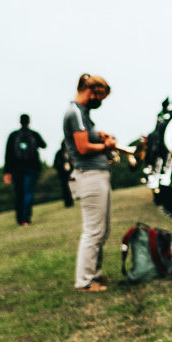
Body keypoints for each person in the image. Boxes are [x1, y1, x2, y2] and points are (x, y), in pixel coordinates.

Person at [63, 74, 116, 292]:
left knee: (102, 230)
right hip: (89, 175)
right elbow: (83, 147)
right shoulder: (75, 112)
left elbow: (87, 138)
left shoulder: (83, 113)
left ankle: (94, 274)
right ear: (90, 91)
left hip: (97, 174)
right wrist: (107, 147)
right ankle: (84, 282)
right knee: (93, 231)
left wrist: (100, 136)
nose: (100, 101)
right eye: (100, 96)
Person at [3, 114, 47, 226]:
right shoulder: (34, 134)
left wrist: (7, 171)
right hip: (32, 168)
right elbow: (43, 145)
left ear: (20, 121)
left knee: (19, 193)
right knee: (28, 193)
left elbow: (8, 154)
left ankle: (19, 219)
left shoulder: (13, 135)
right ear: (29, 121)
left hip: (16, 169)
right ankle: (26, 218)